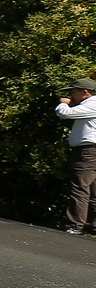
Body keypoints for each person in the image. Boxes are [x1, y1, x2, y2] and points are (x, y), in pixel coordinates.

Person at [56, 77, 96, 234]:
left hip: (87, 151)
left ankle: (76, 225)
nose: (72, 95)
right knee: (92, 190)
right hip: (91, 151)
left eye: (73, 92)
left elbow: (65, 114)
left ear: (84, 92)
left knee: (80, 187)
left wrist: (63, 103)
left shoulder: (92, 104)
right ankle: (92, 225)